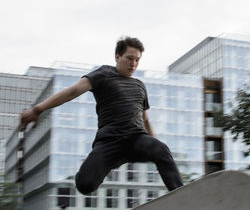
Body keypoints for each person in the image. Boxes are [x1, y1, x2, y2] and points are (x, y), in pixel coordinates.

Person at [20, 37, 183, 194]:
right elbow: (73, 91)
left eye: (137, 60)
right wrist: (38, 110)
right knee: (85, 185)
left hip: (136, 138)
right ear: (117, 56)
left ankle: (181, 195)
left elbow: (145, 119)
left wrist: (154, 143)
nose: (133, 64)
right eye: (129, 58)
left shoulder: (140, 85)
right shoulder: (104, 73)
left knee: (161, 149)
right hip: (110, 141)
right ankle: (103, 164)